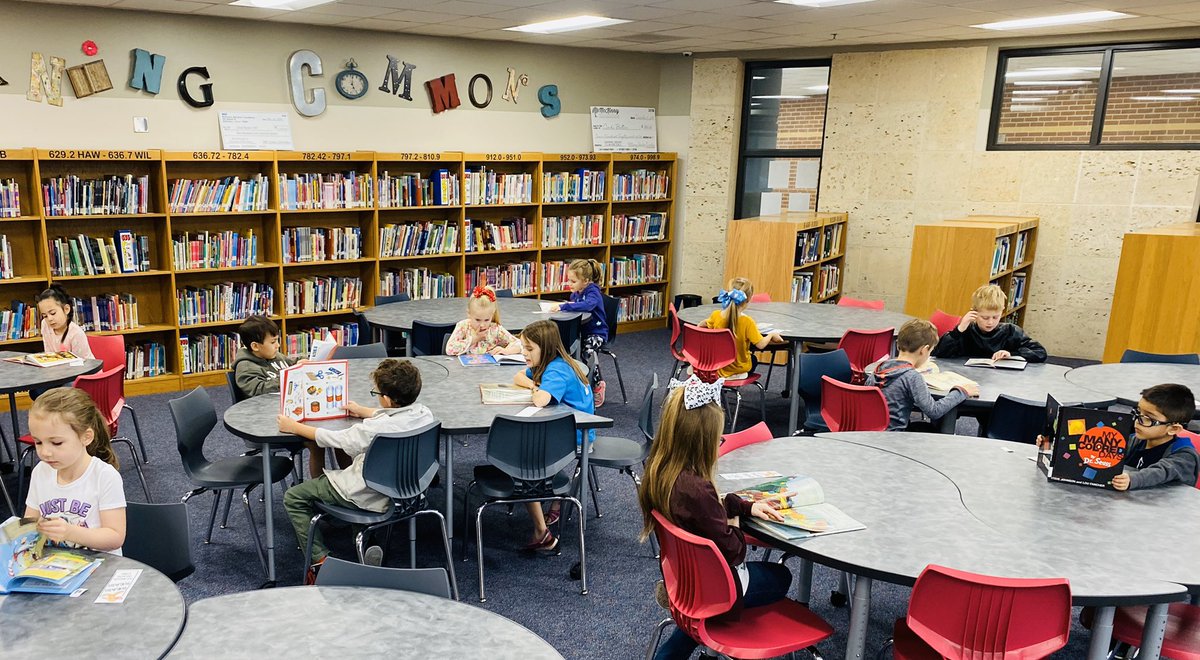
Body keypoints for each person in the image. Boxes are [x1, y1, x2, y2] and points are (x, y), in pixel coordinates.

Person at [638, 375, 792, 660]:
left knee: (696, 618)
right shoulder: (698, 489)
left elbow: (706, 511)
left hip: (685, 581)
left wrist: (743, 507)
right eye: (717, 439)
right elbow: (734, 550)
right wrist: (734, 521)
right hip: (722, 589)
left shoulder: (662, 473)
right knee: (782, 577)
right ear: (701, 442)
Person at [278, 358, 436, 584]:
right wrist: (363, 411)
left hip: (371, 492)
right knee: (356, 487)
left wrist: (294, 427)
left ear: (386, 399)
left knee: (294, 497)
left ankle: (319, 560)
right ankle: (367, 542)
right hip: (410, 491)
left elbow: (336, 438)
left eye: (376, 393)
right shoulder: (424, 413)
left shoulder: (375, 429)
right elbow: (394, 415)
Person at [511, 319, 594, 551]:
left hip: (575, 439)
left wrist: (537, 389)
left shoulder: (557, 370)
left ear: (545, 348)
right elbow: (519, 376)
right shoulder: (554, 362)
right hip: (569, 432)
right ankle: (555, 497)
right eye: (523, 347)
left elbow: (540, 400)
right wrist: (534, 384)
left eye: (529, 349)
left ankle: (541, 532)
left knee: (521, 460)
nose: (524, 353)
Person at [233, 315, 341, 478]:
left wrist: (303, 362)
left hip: (291, 410)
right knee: (316, 441)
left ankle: (349, 481)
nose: (278, 345)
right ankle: (319, 486)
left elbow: (291, 363)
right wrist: (289, 375)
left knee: (337, 433)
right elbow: (257, 390)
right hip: (270, 422)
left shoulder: (274, 356)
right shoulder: (246, 367)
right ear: (255, 346)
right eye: (273, 342)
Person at [1041, 383, 1199, 491]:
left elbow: (1161, 471)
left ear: (1173, 429)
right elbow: (1098, 452)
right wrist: (1051, 444)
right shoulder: (1136, 440)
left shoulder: (1184, 456)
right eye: (1138, 413)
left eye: (1148, 418)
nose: (1137, 421)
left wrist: (1132, 479)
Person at [24, 388, 126, 554]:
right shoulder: (41, 471)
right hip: (54, 562)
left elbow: (115, 537)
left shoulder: (104, 476)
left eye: (56, 443)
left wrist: (71, 532)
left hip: (100, 564)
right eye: (38, 442)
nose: (45, 452)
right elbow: (29, 523)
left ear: (86, 437)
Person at [866, 319, 979, 431]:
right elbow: (934, 411)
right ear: (924, 350)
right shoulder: (912, 377)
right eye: (930, 352)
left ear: (897, 345)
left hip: (869, 432)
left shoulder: (878, 369)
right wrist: (961, 391)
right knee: (933, 431)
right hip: (895, 435)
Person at [932, 284, 1046, 363]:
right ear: (974, 313)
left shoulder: (1011, 331)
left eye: (995, 317)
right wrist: (959, 330)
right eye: (985, 317)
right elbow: (939, 353)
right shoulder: (966, 331)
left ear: (1002, 312)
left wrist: (1011, 354)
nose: (990, 322)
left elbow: (1040, 352)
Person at [549, 258, 609, 406]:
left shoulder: (593, 291)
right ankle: (573, 383)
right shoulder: (576, 292)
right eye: (569, 280)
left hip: (597, 333)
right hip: (582, 331)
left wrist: (565, 306)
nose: (569, 284)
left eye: (573, 281)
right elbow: (575, 304)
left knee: (588, 352)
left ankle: (597, 384)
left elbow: (588, 305)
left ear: (586, 281)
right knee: (564, 349)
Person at [700, 277, 784, 379]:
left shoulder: (716, 315)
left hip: (717, 366)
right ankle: (734, 376)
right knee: (753, 359)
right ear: (749, 299)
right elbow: (761, 345)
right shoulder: (748, 322)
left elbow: (701, 326)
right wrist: (771, 335)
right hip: (738, 368)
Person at [28, 284, 95, 399]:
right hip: (59, 373)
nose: (49, 319)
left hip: (82, 375)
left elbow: (82, 366)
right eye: (45, 316)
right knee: (35, 391)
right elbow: (49, 353)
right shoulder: (45, 325)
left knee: (61, 395)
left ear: (66, 309)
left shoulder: (76, 333)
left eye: (53, 313)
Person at [444, 285, 523, 356]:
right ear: (469, 314)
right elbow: (449, 349)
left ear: (492, 315)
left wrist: (506, 351)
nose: (482, 325)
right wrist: (474, 339)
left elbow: (520, 344)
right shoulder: (463, 326)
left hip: (490, 367)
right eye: (477, 320)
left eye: (487, 320)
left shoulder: (495, 329)